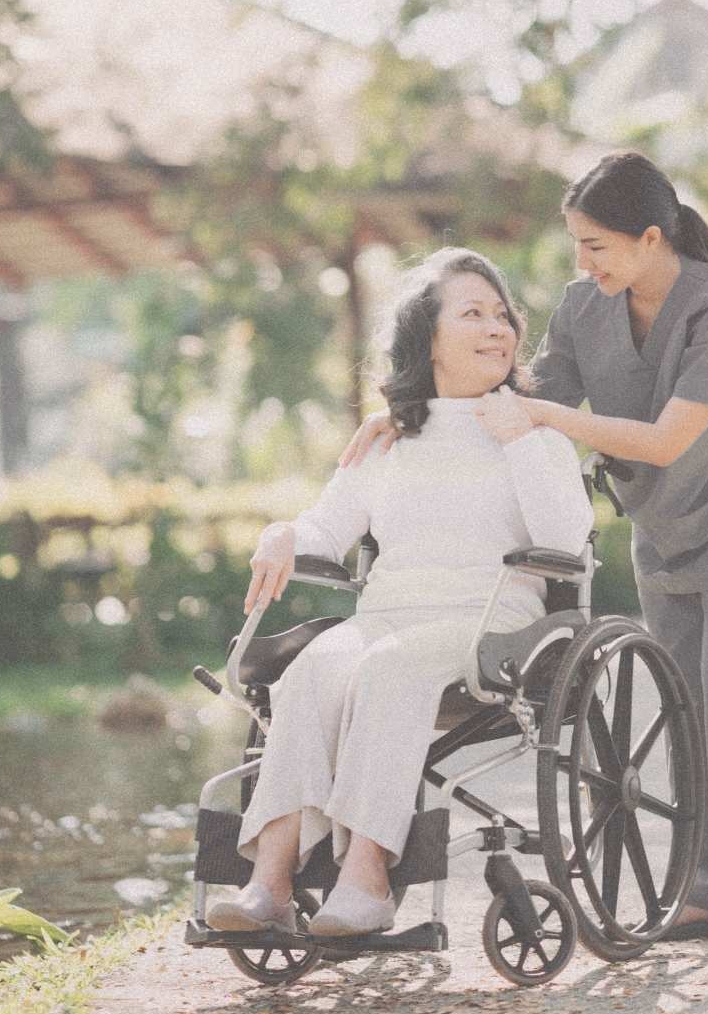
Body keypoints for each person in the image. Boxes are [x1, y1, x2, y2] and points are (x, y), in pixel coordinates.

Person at [343, 153, 708, 946]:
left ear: (647, 238)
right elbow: (532, 397)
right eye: (576, 244)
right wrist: (411, 413)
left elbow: (668, 439)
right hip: (665, 528)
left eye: (595, 245)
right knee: (686, 708)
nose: (582, 262)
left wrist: (550, 423)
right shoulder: (585, 305)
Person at [206, 248, 593, 940]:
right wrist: (280, 533)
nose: (497, 328)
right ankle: (270, 883)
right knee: (311, 670)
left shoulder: (537, 430)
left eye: (502, 315)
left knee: (388, 668)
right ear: (427, 336)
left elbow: (566, 540)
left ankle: (368, 878)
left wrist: (520, 438)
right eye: (472, 313)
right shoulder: (390, 438)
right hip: (386, 615)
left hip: (492, 620)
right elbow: (326, 527)